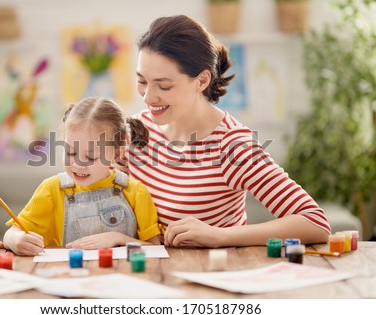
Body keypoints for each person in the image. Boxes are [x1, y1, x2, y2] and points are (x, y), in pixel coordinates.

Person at [118, 15, 331, 248]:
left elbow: (315, 223)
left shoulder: (232, 144)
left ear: (201, 81)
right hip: (146, 275)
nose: (148, 97)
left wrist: (220, 236)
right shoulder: (136, 130)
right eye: (142, 81)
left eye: (164, 86)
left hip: (211, 274)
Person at [2, 97, 161, 256]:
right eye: (70, 152)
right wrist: (15, 239)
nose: (78, 164)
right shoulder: (51, 190)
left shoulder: (136, 192)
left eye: (91, 157)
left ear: (117, 154)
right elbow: (11, 234)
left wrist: (118, 238)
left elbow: (155, 248)